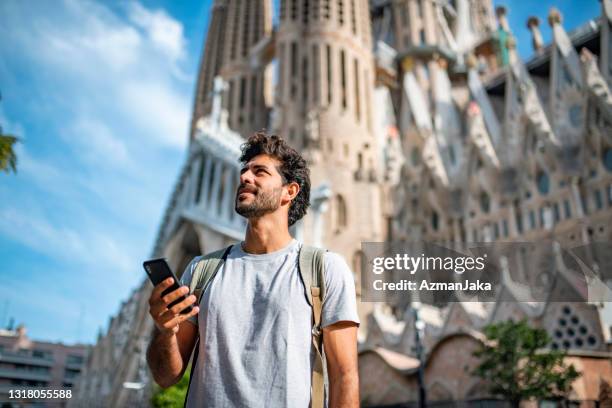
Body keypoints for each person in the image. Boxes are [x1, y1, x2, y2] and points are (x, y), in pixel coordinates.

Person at [146, 132, 360, 407]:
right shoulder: (203, 270)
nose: (245, 177)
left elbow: (345, 376)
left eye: (260, 172)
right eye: (244, 170)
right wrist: (165, 331)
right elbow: (165, 377)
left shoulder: (324, 269)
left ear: (289, 191)